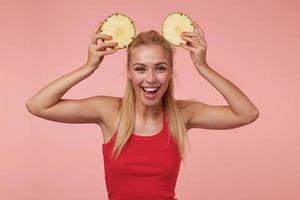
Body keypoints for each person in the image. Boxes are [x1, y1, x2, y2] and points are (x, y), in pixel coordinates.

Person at [26, 20, 259, 200]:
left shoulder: (183, 114)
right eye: (140, 69)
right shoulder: (109, 112)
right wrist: (89, 66)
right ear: (129, 71)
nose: (150, 79)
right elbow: (37, 105)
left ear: (170, 71)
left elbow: (247, 113)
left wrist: (202, 65)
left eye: (160, 68)